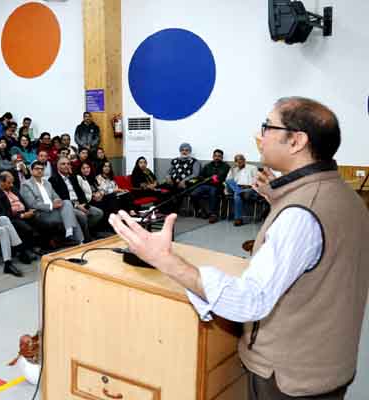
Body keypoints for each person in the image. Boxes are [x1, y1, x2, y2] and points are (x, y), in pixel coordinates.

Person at [109, 97, 369, 400]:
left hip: (287, 376)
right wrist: (278, 199)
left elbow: (249, 300)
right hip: (329, 361)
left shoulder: (301, 213)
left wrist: (163, 259)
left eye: (267, 126)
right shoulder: (344, 195)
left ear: (297, 141)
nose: (259, 136)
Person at [20, 161, 83, 245]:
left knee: (67, 202)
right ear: (31, 171)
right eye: (37, 169)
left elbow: (56, 196)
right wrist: (51, 206)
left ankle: (70, 232)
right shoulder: (26, 185)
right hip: (41, 213)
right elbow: (32, 204)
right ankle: (79, 240)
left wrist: (57, 200)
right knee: (71, 214)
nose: (40, 171)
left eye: (42, 169)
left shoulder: (47, 183)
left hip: (55, 210)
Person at [0, 171, 49, 254]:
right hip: (12, 218)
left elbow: (22, 201)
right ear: (1, 182)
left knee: (43, 224)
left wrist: (29, 210)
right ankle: (27, 251)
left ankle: (44, 247)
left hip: (24, 213)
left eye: (12, 182)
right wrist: (22, 215)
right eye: (9, 183)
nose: (11, 185)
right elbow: (4, 213)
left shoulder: (13, 188)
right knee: (27, 229)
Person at [50, 156, 105, 239]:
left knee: (98, 213)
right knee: (82, 216)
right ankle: (87, 238)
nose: (66, 166)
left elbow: (80, 192)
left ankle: (86, 232)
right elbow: (61, 198)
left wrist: (84, 203)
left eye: (68, 164)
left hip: (80, 203)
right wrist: (77, 206)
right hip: (68, 206)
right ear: (58, 166)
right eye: (63, 164)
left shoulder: (73, 177)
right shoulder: (53, 179)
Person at [191, 149, 230, 223]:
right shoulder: (208, 165)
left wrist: (214, 180)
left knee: (213, 193)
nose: (217, 157)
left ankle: (213, 214)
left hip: (218, 186)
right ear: (213, 156)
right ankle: (201, 210)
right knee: (193, 194)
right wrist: (204, 179)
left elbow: (223, 177)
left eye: (219, 156)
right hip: (205, 185)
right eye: (215, 156)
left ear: (222, 157)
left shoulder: (226, 166)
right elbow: (201, 176)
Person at [226, 154, 260, 226]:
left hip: (249, 188)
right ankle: (239, 192)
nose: (239, 161)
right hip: (237, 187)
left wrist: (248, 186)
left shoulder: (252, 168)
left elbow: (257, 180)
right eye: (236, 160)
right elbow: (228, 180)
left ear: (244, 160)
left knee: (237, 196)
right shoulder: (233, 169)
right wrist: (233, 171)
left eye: (240, 159)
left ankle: (238, 219)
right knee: (229, 181)